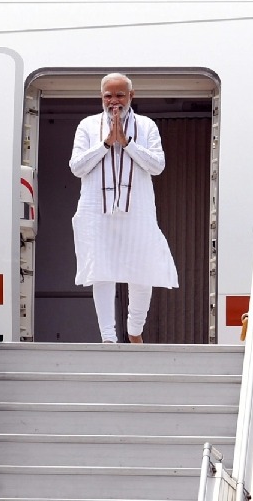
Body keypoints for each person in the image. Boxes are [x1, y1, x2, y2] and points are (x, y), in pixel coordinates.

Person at [69, 73, 178, 343]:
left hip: (137, 210)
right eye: (108, 95)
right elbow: (77, 167)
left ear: (132, 95)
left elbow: (157, 166)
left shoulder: (147, 126)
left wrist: (127, 143)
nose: (114, 101)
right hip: (97, 210)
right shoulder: (87, 126)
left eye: (119, 95)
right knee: (101, 271)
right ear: (101, 97)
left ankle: (135, 330)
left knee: (143, 269)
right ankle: (108, 337)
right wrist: (107, 143)